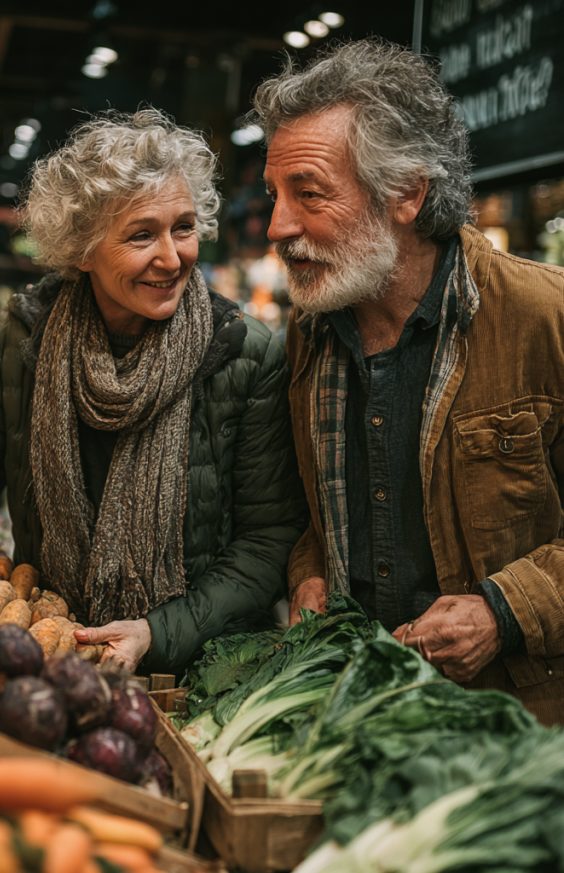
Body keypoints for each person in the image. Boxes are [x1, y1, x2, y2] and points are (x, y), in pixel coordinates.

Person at [0, 110, 306, 674]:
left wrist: (157, 634)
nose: (172, 256)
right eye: (142, 234)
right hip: (51, 643)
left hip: (201, 667)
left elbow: (269, 539)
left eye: (183, 227)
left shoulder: (244, 353)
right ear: (83, 250)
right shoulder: (24, 335)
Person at [254, 40, 564, 726]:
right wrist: (307, 570)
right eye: (274, 195)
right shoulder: (310, 335)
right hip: (360, 717)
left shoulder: (544, 318)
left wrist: (503, 609)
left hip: (514, 731)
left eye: (307, 193)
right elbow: (313, 509)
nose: (277, 225)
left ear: (406, 193)